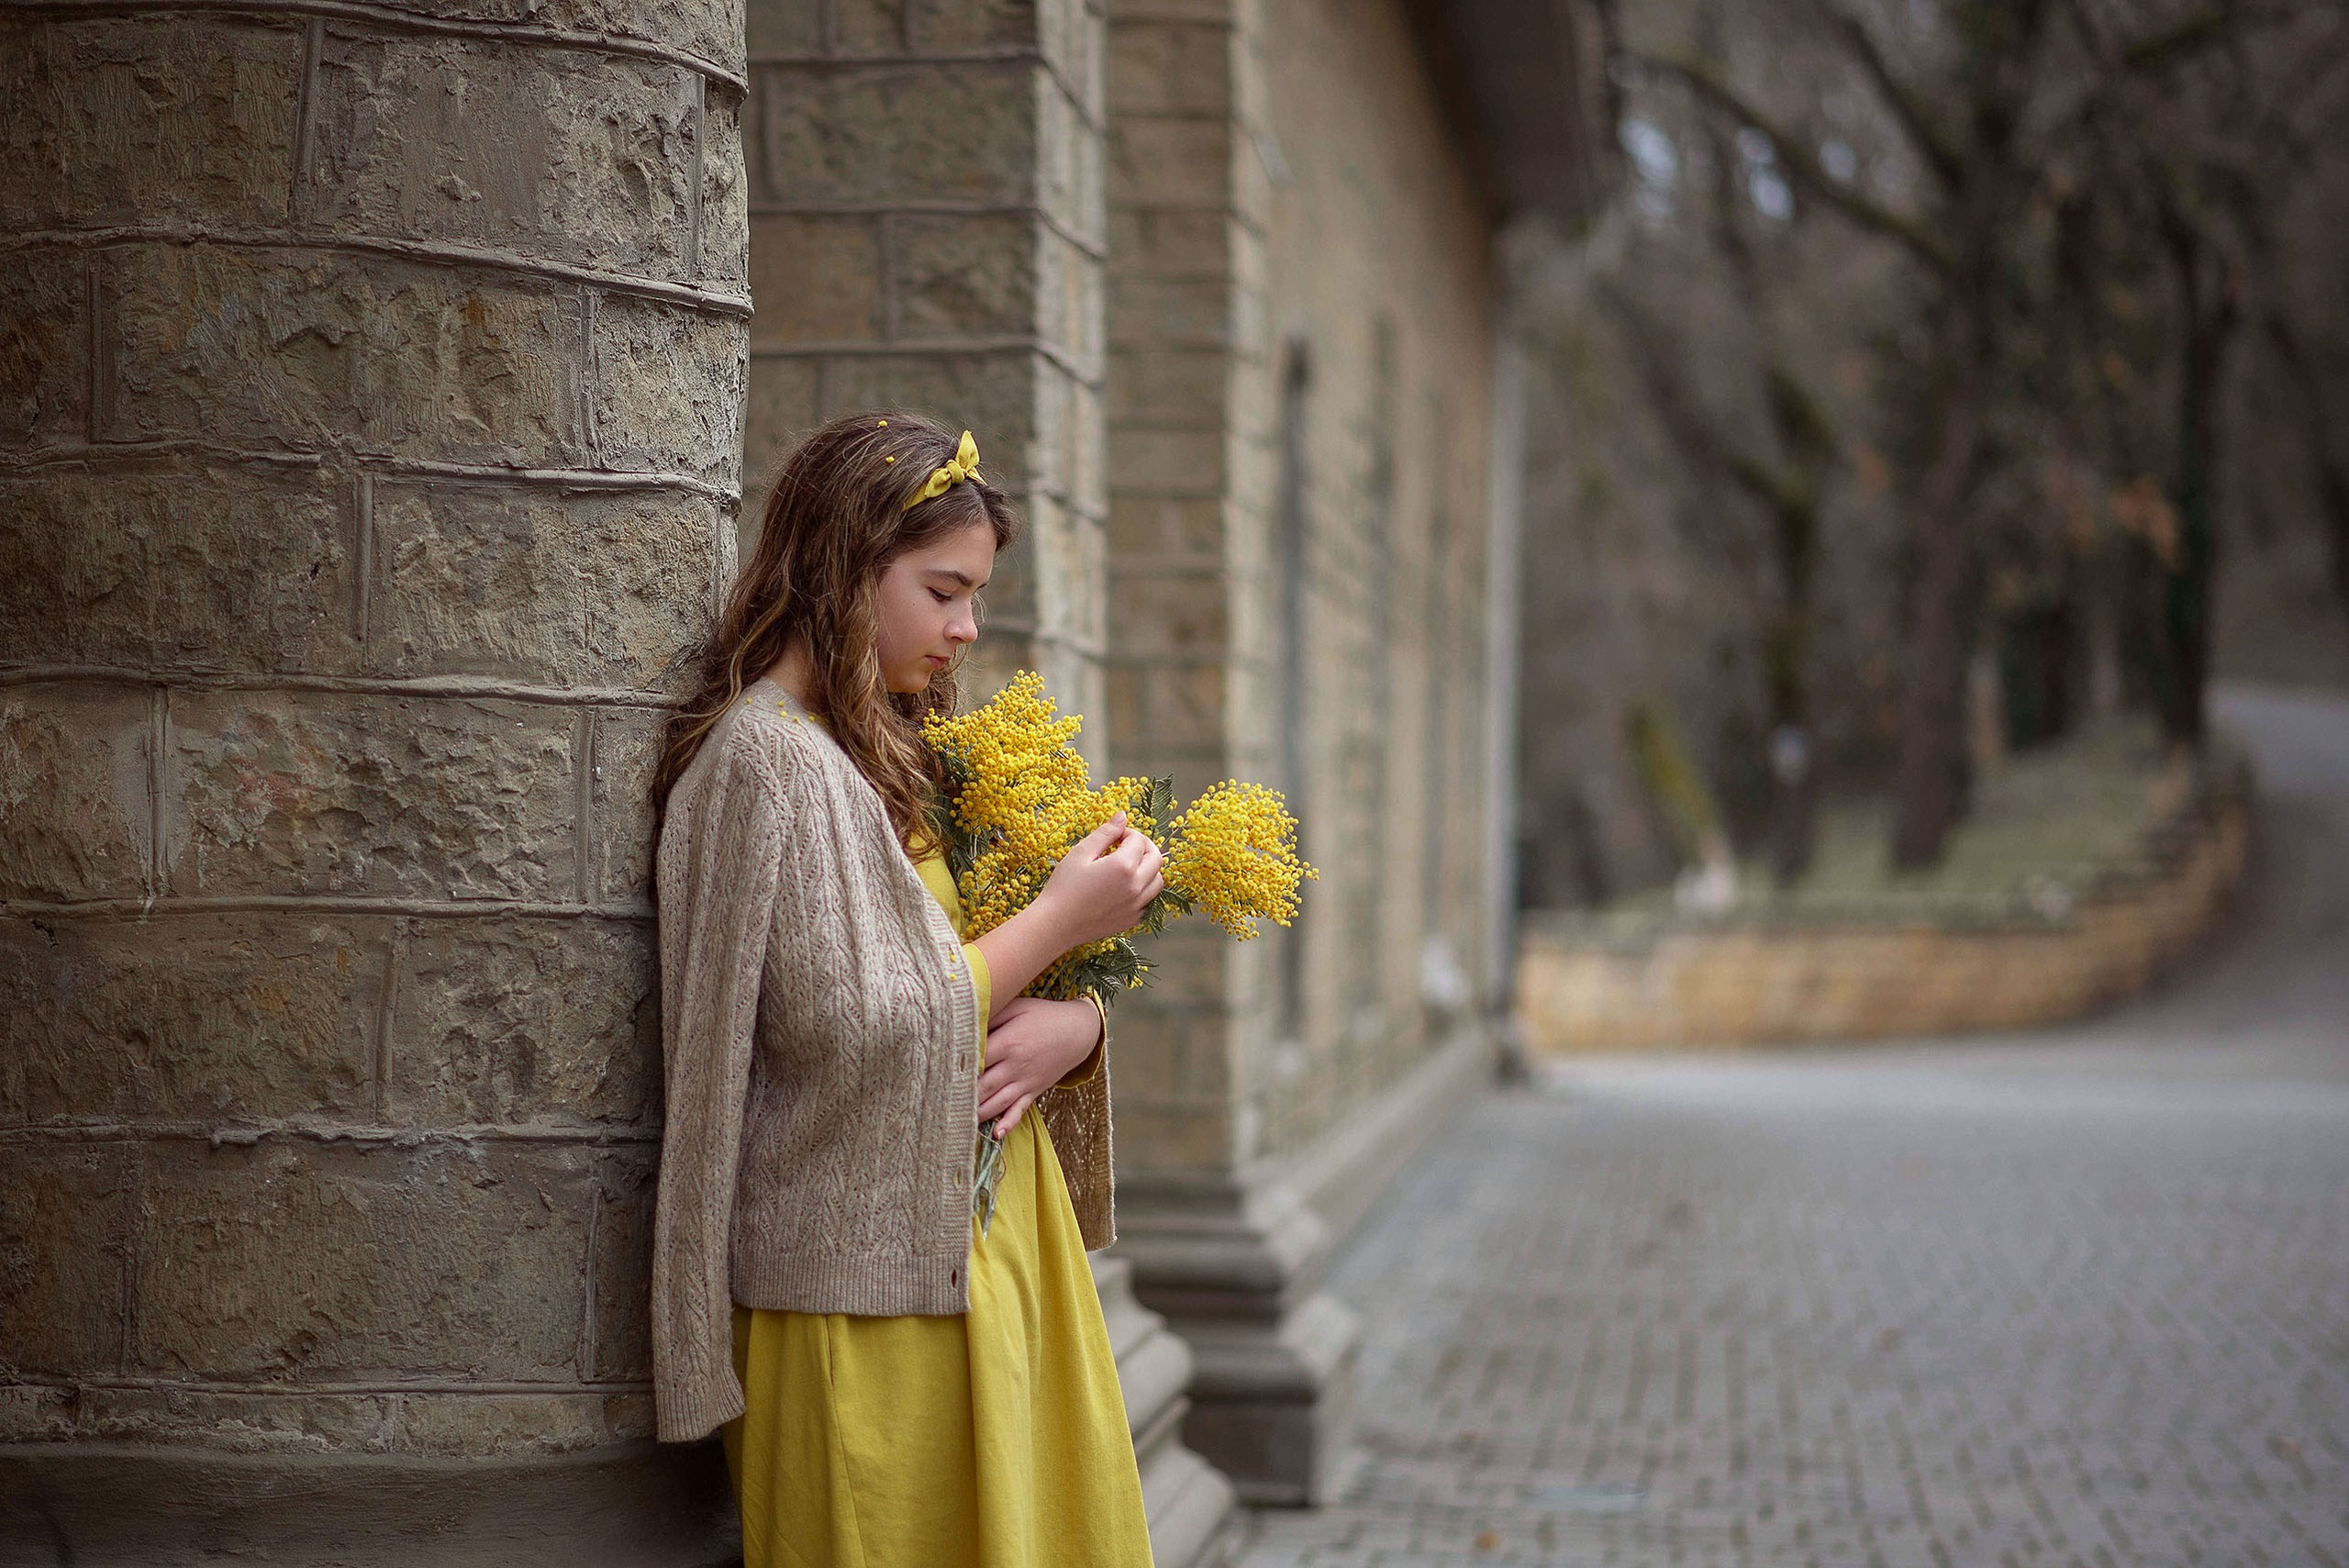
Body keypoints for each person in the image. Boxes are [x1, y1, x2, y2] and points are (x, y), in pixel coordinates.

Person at [645, 410, 1162, 1567]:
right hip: (858, 1299)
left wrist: (1078, 1018)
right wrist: (1061, 919)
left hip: (993, 1258)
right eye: (942, 590)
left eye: (974, 595)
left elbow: (962, 975)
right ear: (842, 565)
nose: (967, 627)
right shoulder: (760, 762)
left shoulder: (894, 749)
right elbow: (856, 1025)